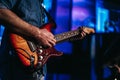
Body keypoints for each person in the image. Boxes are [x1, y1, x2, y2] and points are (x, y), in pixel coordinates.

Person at [0, 0, 95, 80]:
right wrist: (37, 33)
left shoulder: (40, 5)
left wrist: (74, 34)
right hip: (16, 66)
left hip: (37, 70)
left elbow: (41, 39)